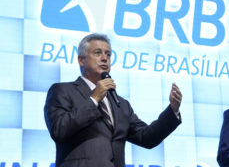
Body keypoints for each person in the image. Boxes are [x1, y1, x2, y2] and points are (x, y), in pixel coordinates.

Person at [44, 33, 183, 167]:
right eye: (97, 53)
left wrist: (173, 110)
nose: (104, 58)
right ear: (81, 60)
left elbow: (147, 137)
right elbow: (59, 130)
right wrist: (94, 98)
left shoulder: (121, 104)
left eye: (108, 54)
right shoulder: (63, 91)